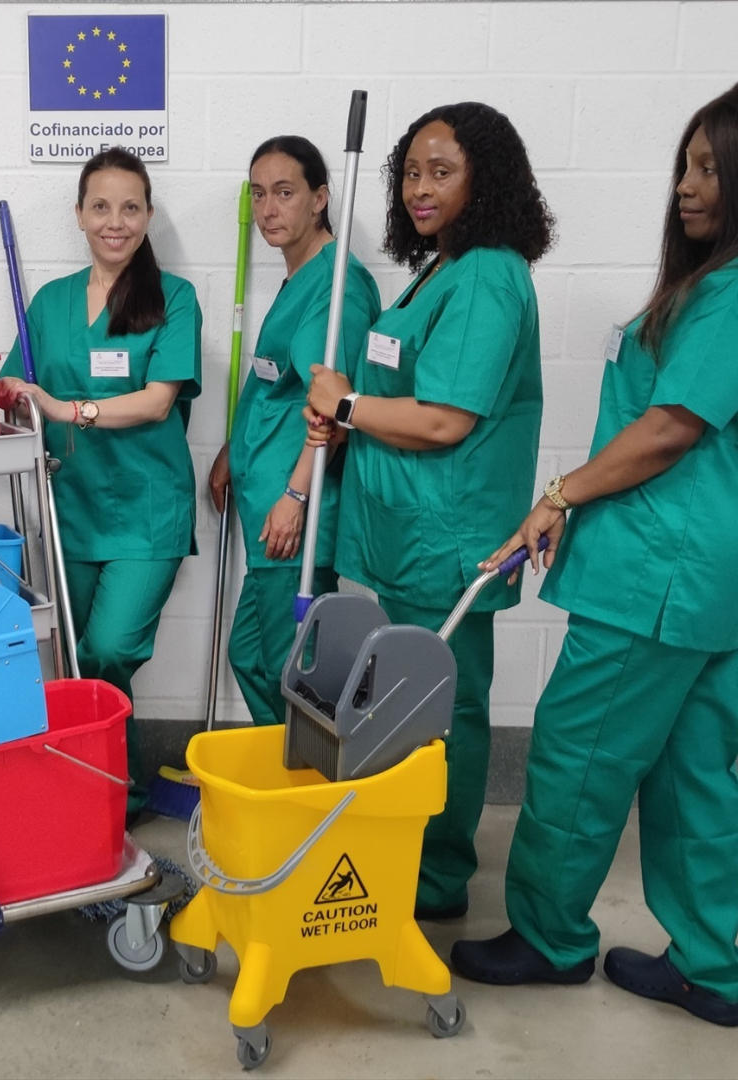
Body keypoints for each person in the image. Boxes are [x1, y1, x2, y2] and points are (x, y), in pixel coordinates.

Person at [451, 82, 738, 1029]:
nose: (685, 186)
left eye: (711, 169)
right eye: (685, 165)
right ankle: (711, 966)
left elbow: (669, 428)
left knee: (578, 756)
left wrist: (558, 495)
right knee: (692, 772)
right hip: (710, 584)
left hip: (655, 578)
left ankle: (548, 937)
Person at [304, 103, 554, 920]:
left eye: (441, 172)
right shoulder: (440, 268)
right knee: (411, 703)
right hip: (402, 532)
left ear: (487, 180)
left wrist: (347, 407)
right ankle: (408, 852)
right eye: (411, 171)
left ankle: (437, 878)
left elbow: (447, 418)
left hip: (445, 538)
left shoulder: (486, 277)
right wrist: (348, 413)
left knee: (444, 709)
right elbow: (398, 392)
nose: (420, 187)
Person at [0, 148, 203, 815]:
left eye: (130, 207)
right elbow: (13, 380)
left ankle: (114, 785)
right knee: (76, 661)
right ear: (80, 215)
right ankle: (109, 790)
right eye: (101, 207)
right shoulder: (50, 302)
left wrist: (67, 409)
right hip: (71, 506)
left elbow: (158, 402)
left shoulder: (174, 299)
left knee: (108, 648)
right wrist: (12, 391)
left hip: (147, 508)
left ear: (148, 215)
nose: (116, 222)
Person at [208, 136, 380, 726]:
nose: (268, 209)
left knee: (288, 671)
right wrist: (234, 450)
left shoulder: (337, 288)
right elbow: (275, 385)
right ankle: (281, 765)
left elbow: (331, 407)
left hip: (293, 514)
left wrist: (295, 496)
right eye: (259, 194)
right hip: (268, 503)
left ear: (320, 198)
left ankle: (304, 772)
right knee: (250, 656)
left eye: (284, 193)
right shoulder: (300, 277)